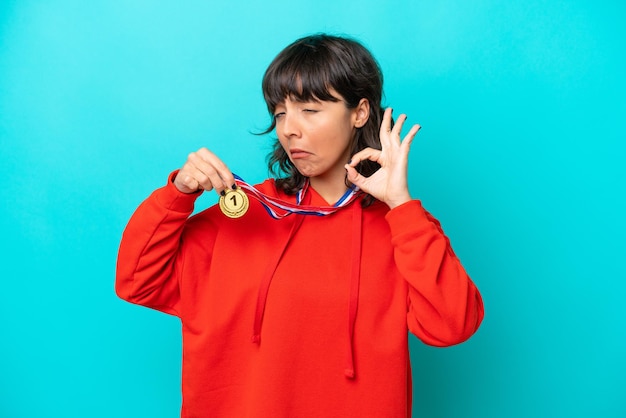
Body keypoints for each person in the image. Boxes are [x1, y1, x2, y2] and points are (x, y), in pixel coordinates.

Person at [116, 33, 484, 418]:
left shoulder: (403, 227)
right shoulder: (242, 215)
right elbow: (136, 280)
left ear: (359, 112)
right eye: (279, 113)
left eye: (309, 110)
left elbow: (453, 325)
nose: (289, 128)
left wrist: (401, 205)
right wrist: (179, 193)